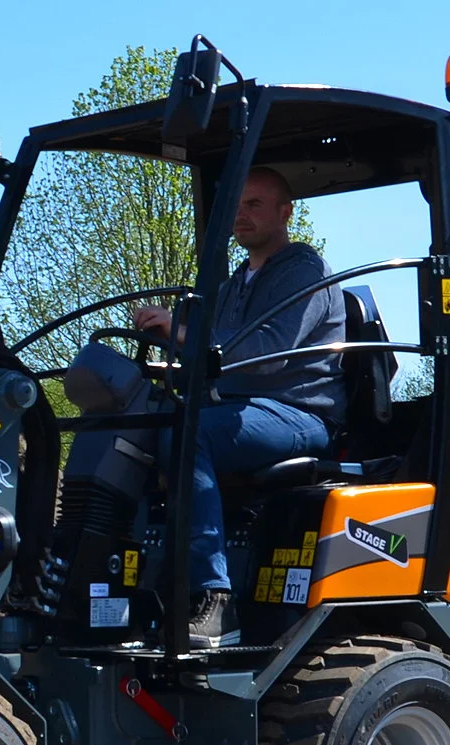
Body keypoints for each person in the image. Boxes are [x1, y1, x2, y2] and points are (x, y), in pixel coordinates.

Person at [134, 166, 346, 647]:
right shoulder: (235, 283)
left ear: (285, 211)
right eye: (236, 205)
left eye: (254, 204)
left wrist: (181, 332)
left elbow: (266, 354)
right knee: (137, 424)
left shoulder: (302, 271)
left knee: (192, 435)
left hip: (299, 413)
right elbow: (211, 360)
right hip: (243, 409)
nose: (241, 215)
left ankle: (214, 599)